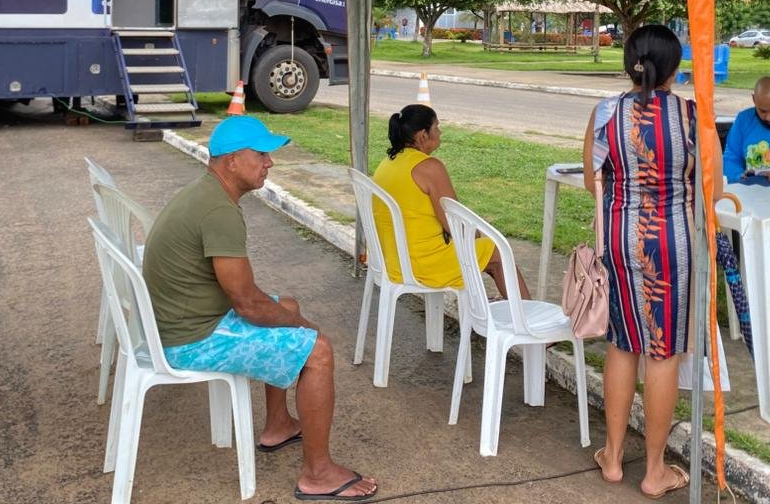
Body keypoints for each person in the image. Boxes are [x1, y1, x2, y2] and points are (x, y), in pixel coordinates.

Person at [142, 115, 377, 502]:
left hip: (182, 322)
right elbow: (248, 304)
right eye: (262, 154)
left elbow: (251, 299)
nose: (270, 163)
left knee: (286, 305)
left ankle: (278, 425)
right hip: (190, 340)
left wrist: (289, 316)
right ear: (232, 160)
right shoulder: (218, 211)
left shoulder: (207, 194)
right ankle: (318, 474)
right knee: (317, 351)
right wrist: (304, 327)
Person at [583, 24, 696, 499]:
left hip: (620, 240)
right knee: (663, 352)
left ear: (628, 62)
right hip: (673, 243)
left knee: (623, 343)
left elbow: (594, 181)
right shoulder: (690, 115)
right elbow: (710, 183)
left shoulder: (606, 112)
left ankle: (612, 456)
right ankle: (654, 470)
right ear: (673, 67)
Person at [370, 104, 529, 299]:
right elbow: (455, 224)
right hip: (422, 265)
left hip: (392, 262)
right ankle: (526, 320)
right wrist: (477, 237)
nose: (440, 132)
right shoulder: (429, 167)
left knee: (483, 252)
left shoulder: (387, 163)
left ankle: (499, 311)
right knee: (497, 253)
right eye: (436, 127)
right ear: (422, 135)